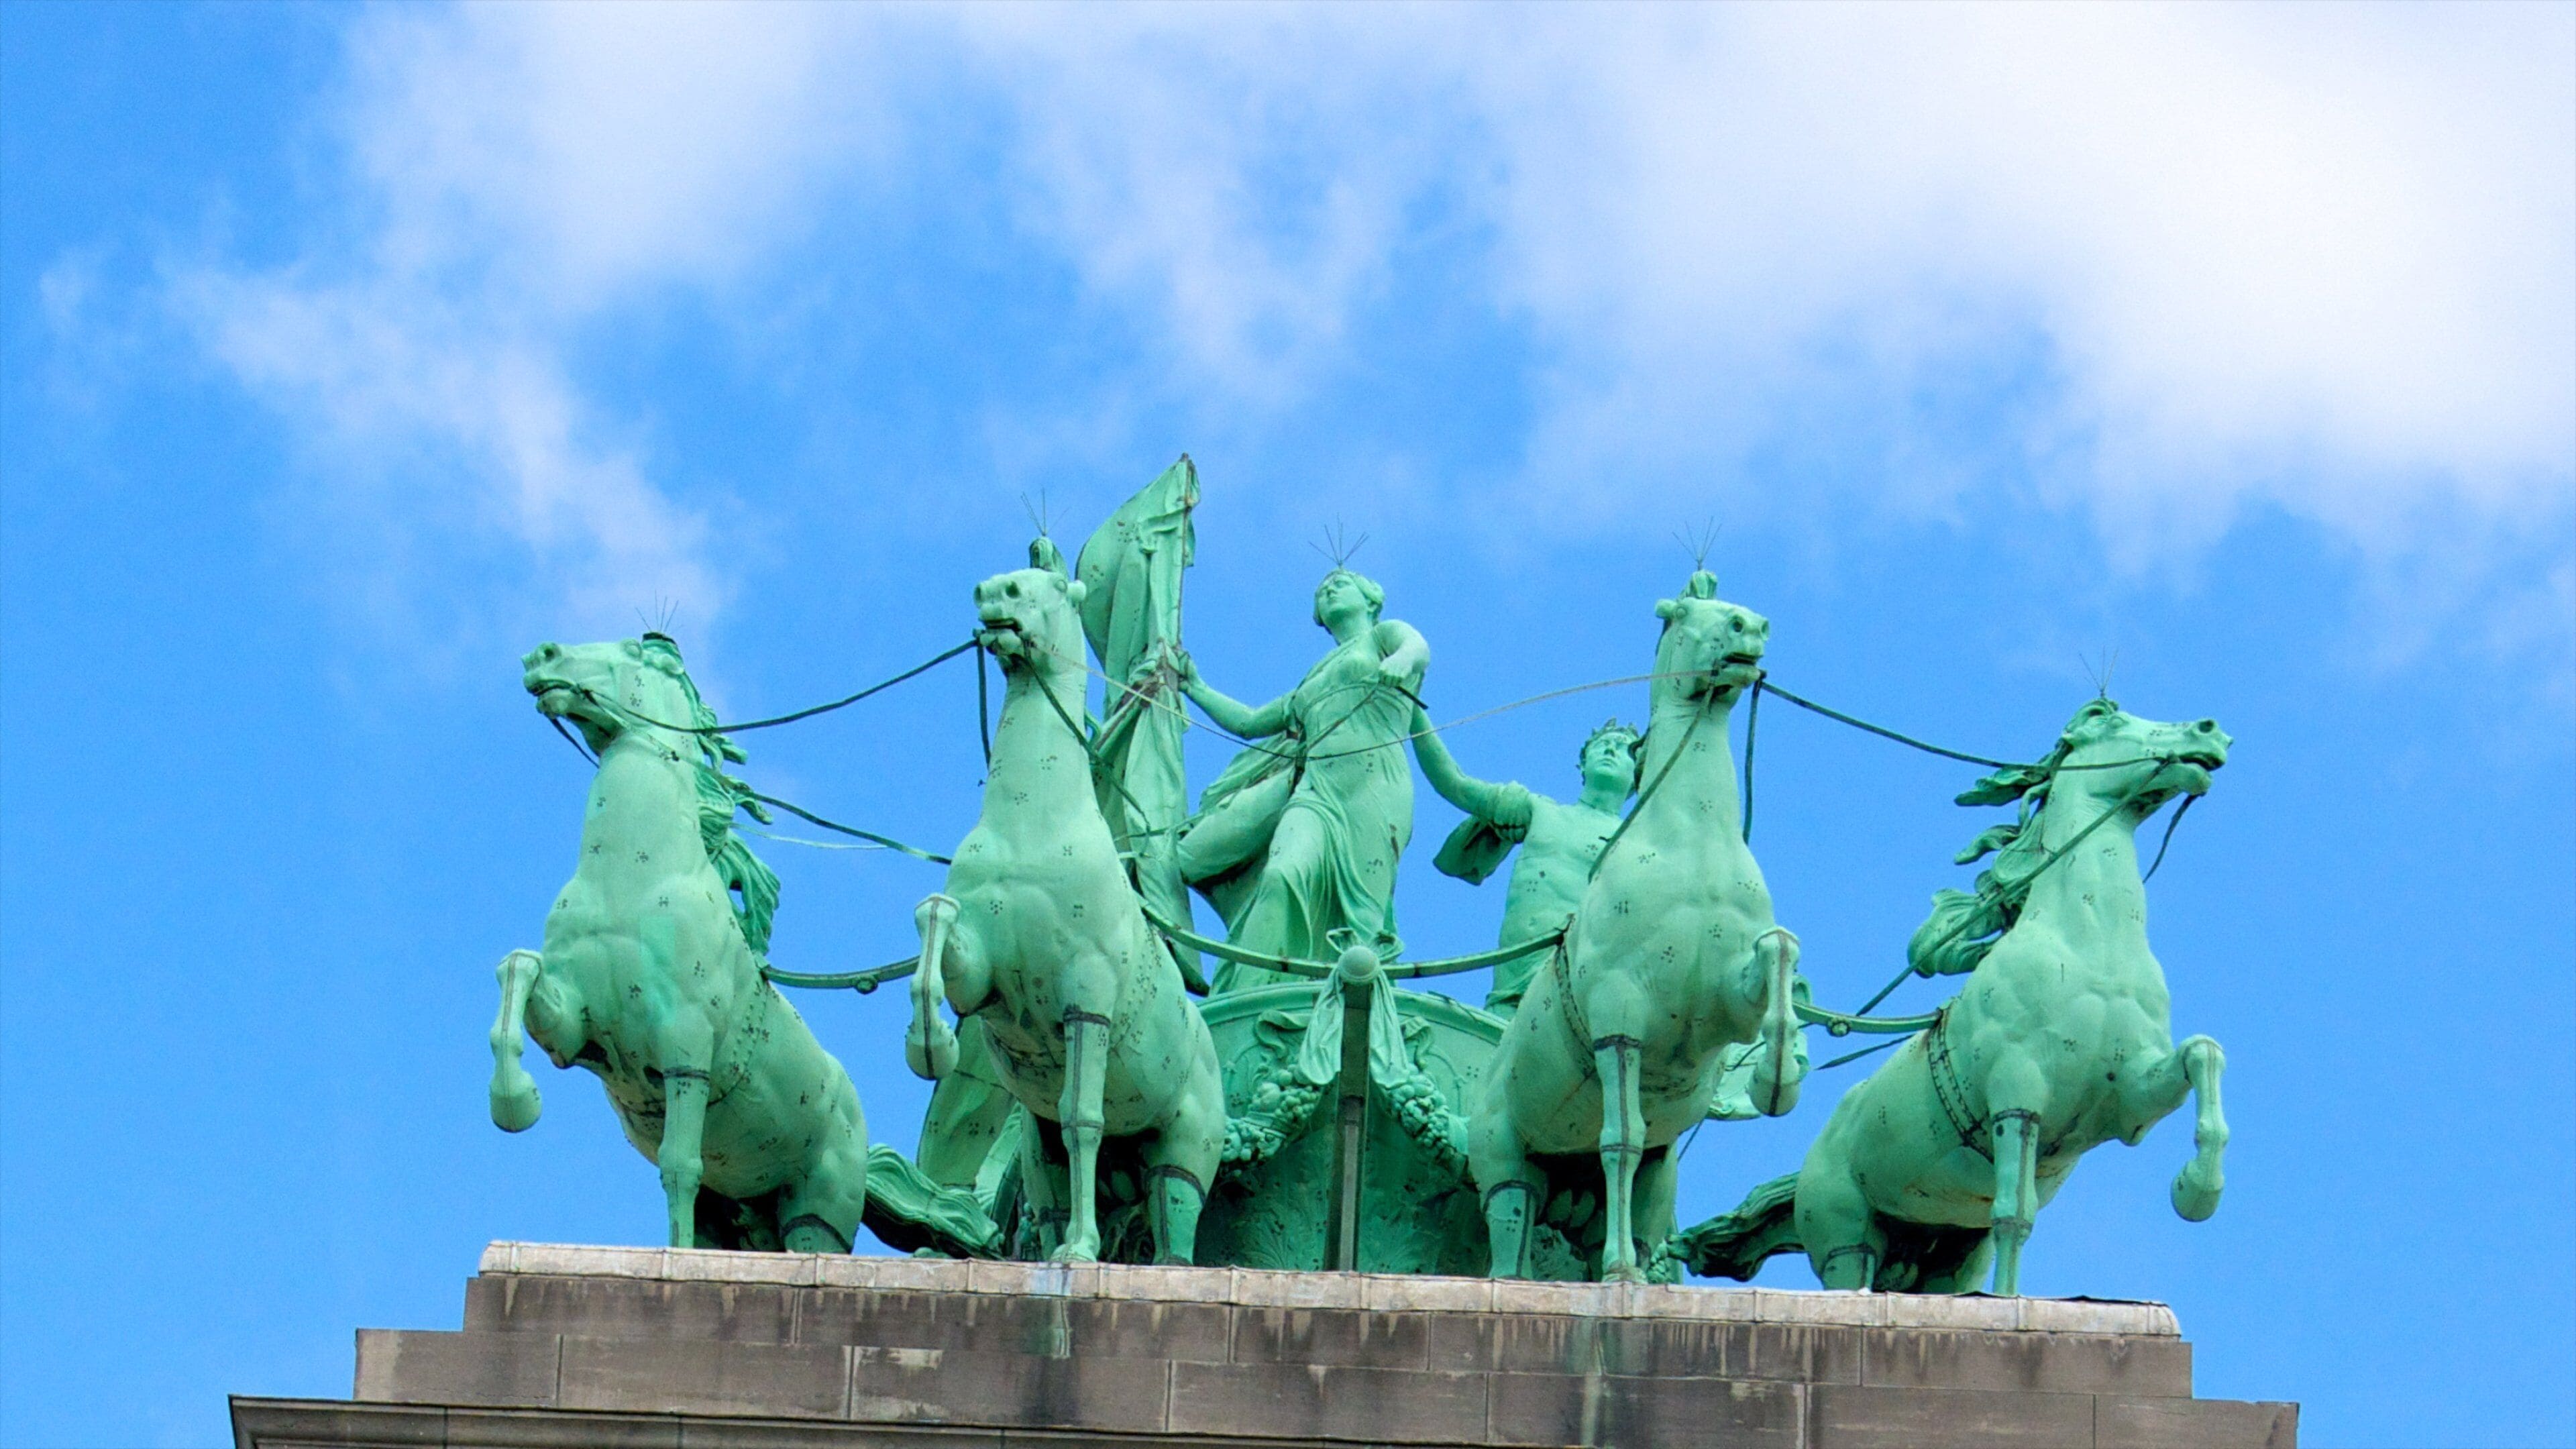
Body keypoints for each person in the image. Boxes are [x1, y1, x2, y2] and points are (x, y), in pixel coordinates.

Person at [1176, 568, 1432, 993]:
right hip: (1316, 793)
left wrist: (1401, 662)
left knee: (1362, 925)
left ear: (1371, 599)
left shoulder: (1383, 637)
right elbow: (1250, 722)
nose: (1329, 587)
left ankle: (1350, 1011)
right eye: (1322, 589)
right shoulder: (1311, 681)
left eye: (1342, 581)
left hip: (1375, 793)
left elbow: (1417, 647)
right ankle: (1245, 997)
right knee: (1282, 877)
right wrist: (1194, 686)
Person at [1417, 718, 1642, 1015]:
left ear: (1638, 775)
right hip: (1512, 987)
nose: (1610, 751)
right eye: (1602, 745)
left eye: (1622, 749)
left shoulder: (1638, 844)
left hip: (1581, 986)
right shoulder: (1539, 811)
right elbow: (1454, 783)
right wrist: (1412, 709)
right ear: (1583, 765)